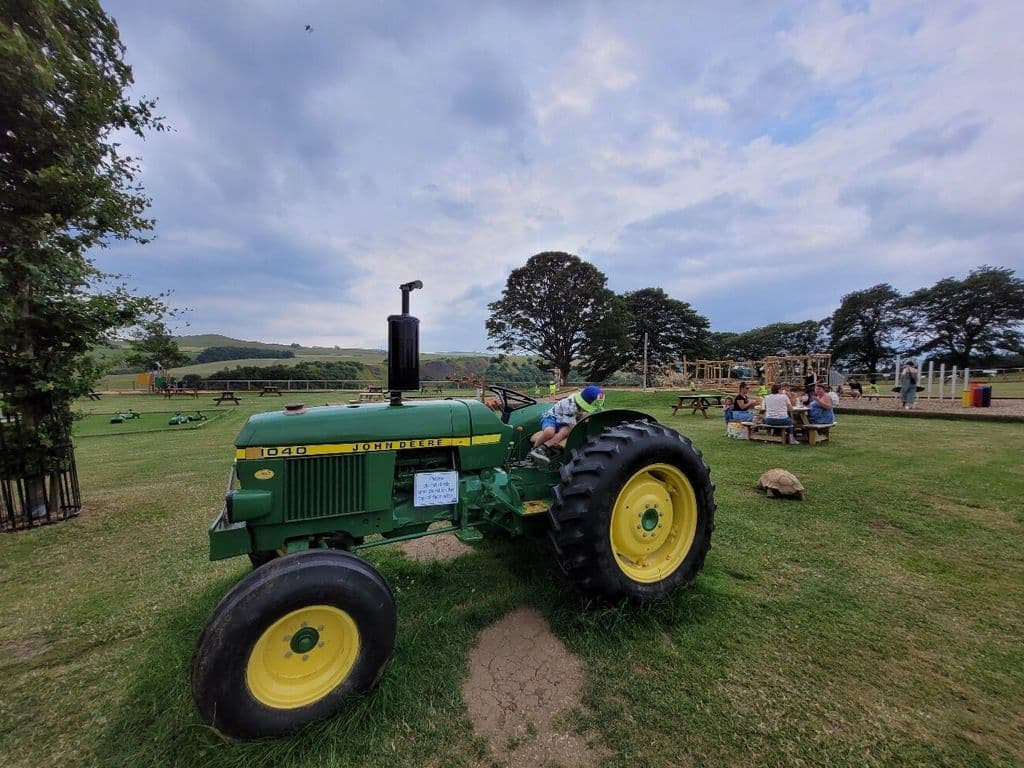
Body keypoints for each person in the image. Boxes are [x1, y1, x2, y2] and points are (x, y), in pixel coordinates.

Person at [530, 385, 605, 464]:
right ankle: (534, 448)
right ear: (582, 403)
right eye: (588, 407)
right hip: (552, 418)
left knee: (565, 432)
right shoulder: (569, 405)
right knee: (549, 432)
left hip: (564, 421)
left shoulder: (580, 402)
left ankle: (543, 447)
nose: (588, 410)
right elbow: (573, 427)